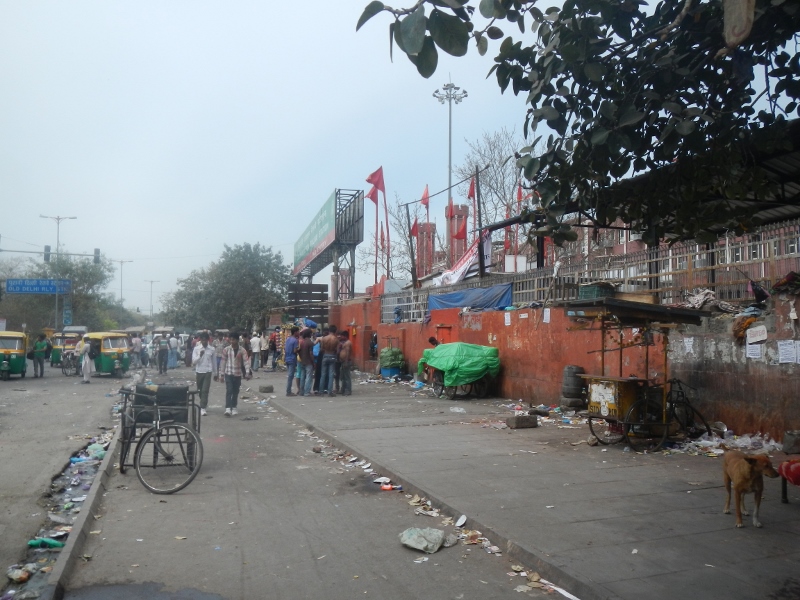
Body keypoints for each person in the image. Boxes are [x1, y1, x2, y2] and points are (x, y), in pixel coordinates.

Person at [217, 331, 251, 416]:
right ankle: (228, 408)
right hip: (228, 373)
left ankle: (234, 407)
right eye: (231, 340)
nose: (232, 341)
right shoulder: (226, 350)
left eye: (233, 340)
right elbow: (223, 362)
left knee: (236, 391)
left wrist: (247, 372)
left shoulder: (242, 350)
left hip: (237, 374)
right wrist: (221, 374)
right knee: (229, 390)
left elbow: (246, 361)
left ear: (237, 340)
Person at [192, 332, 217, 416]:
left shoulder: (212, 349)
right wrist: (200, 355)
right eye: (202, 340)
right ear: (200, 340)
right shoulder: (196, 349)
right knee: (200, 390)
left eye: (205, 340)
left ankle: (203, 407)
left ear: (208, 340)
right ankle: (203, 401)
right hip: (199, 371)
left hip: (208, 371)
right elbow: (194, 362)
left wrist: (215, 373)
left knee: (205, 390)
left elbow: (214, 362)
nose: (204, 342)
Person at [319, 325, 339, 397]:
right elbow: (337, 351)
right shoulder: (336, 339)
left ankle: (321, 392)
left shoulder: (324, 338)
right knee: (331, 375)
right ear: (335, 331)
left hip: (325, 355)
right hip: (332, 356)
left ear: (329, 331)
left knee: (323, 374)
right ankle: (330, 392)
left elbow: (321, 349)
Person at [298, 329, 315, 396]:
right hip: (309, 362)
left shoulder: (302, 342)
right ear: (309, 334)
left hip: (303, 361)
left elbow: (299, 352)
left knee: (302, 377)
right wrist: (313, 362)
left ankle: (301, 391)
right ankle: (307, 392)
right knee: (308, 377)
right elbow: (311, 353)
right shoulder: (310, 343)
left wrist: (302, 358)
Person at [284, 326, 300, 396]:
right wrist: (299, 349)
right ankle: (288, 391)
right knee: (290, 376)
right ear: (295, 332)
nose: (299, 333)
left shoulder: (288, 339)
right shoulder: (295, 340)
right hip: (292, 359)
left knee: (290, 375)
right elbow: (294, 351)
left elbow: (285, 349)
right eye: (298, 331)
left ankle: (288, 391)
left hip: (287, 358)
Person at [338, 330, 353, 396]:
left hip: (346, 361)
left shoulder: (348, 343)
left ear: (345, 336)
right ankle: (343, 389)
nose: (340, 337)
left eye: (341, 336)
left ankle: (348, 390)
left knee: (346, 377)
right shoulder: (344, 343)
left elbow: (348, 352)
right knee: (343, 377)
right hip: (343, 361)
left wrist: (346, 361)